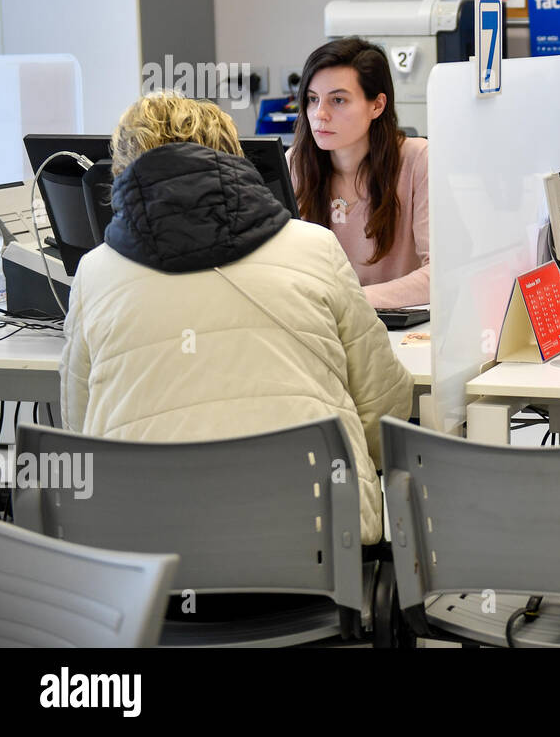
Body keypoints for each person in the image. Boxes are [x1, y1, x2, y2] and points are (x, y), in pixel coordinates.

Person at [60, 92, 413, 543]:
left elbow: (78, 426)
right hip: (316, 552)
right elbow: (384, 408)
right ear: (234, 156)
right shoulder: (315, 247)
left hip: (147, 568)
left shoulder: (94, 272)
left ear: (122, 171)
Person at [288, 36, 430, 309]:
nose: (320, 114)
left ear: (376, 105)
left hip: (400, 329)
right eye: (312, 99)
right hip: (322, 328)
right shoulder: (295, 164)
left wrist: (349, 302)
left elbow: (438, 274)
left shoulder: (417, 160)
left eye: (338, 100)